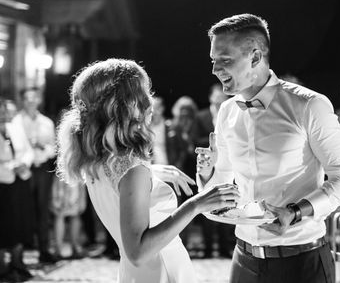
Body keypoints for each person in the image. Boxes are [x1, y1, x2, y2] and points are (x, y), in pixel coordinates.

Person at [196, 14, 340, 283]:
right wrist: (208, 173)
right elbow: (221, 187)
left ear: (256, 57)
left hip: (301, 262)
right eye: (213, 61)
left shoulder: (309, 106)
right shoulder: (226, 112)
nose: (214, 70)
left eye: (225, 60)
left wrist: (295, 212)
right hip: (244, 259)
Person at [55, 58, 239, 283]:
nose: (150, 99)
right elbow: (139, 252)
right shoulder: (132, 171)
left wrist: (153, 172)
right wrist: (195, 205)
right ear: (127, 103)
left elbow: (119, 186)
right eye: (144, 91)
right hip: (161, 272)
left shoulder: (98, 158)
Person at [12, 87, 58, 264]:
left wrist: (41, 147)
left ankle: (44, 249)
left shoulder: (47, 122)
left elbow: (53, 148)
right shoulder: (16, 122)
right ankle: (21, 251)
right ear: (22, 101)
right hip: (23, 170)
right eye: (27, 98)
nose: (30, 101)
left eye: (33, 98)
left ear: (38, 100)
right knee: (23, 210)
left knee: (43, 210)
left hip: (42, 169)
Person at [192, 84, 233, 258]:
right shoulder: (201, 116)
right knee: (207, 209)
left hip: (228, 166)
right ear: (210, 98)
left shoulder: (231, 114)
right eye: (215, 99)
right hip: (207, 163)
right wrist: (213, 144)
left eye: (221, 99)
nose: (218, 102)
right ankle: (208, 249)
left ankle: (224, 248)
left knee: (226, 208)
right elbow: (195, 138)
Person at [0, 98, 35, 281]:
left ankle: (18, 262)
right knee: (4, 223)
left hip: (20, 181)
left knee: (21, 221)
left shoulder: (16, 127)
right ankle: (2, 266)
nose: (6, 114)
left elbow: (28, 150)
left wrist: (23, 163)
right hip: (2, 183)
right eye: (3, 111)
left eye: (8, 111)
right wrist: (8, 168)